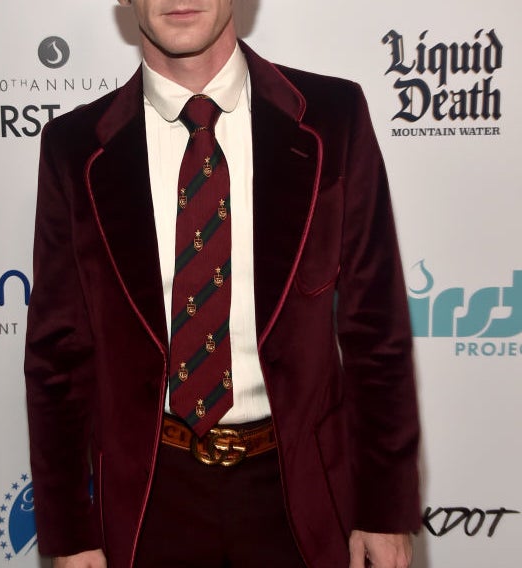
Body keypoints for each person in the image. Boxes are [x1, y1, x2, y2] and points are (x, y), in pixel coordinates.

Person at [24, 1, 421, 567]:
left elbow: (376, 330)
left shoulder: (334, 117)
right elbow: (57, 358)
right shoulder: (74, 147)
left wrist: (384, 509)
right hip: (148, 504)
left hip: (301, 496)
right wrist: (69, 533)